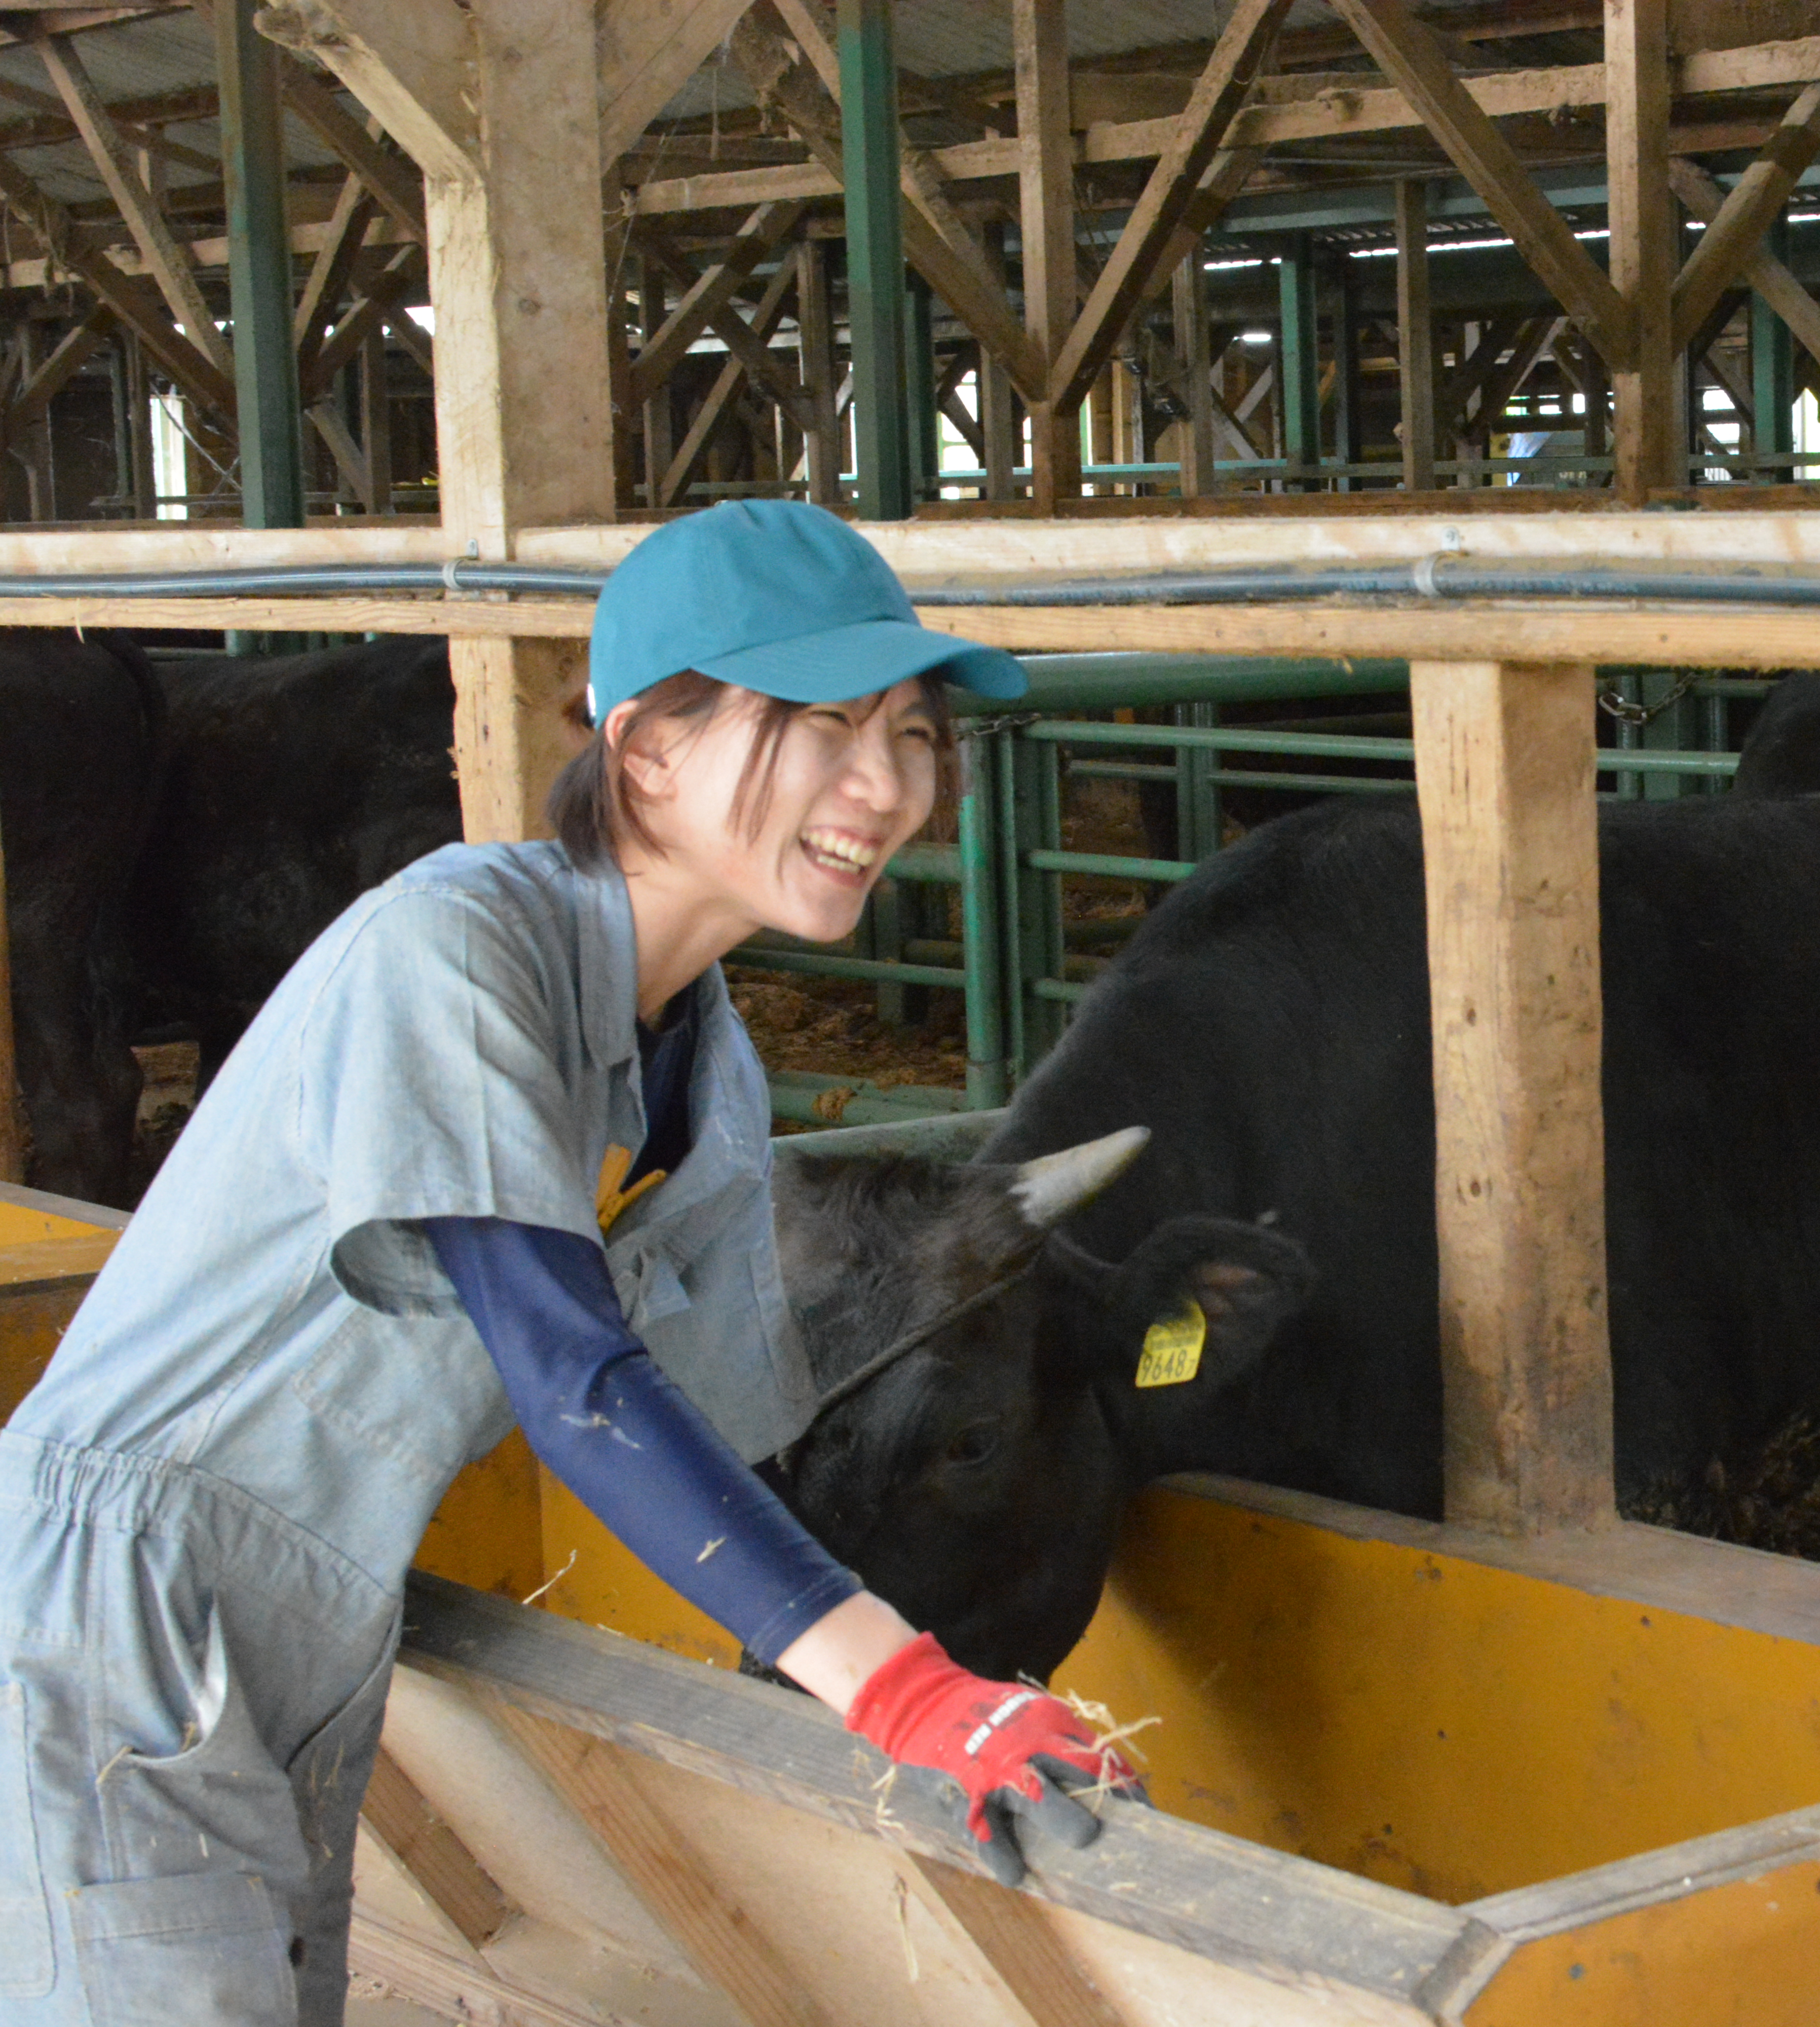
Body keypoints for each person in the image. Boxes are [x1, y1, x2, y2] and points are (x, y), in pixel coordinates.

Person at [0, 502, 1138, 2025]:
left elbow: (756, 1431)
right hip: (122, 1612)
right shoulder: (457, 954)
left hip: (302, 1620)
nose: (887, 788)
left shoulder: (709, 1069)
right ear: (645, 751)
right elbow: (573, 1372)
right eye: (818, 725)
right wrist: (909, 1689)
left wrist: (972, 1654)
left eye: (917, 734)